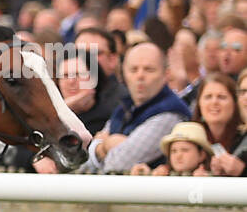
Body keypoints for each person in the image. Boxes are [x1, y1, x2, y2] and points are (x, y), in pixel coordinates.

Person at [83, 42, 190, 173]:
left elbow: (119, 162)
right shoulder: (124, 107)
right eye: (133, 70)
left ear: (166, 74)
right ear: (124, 74)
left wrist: (101, 146)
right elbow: (84, 162)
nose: (140, 76)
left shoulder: (171, 112)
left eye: (149, 69)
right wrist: (105, 147)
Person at [131, 122, 212, 176]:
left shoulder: (215, 179)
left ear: (202, 155)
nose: (178, 156)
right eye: (173, 151)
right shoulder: (161, 175)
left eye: (185, 150)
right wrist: (144, 176)